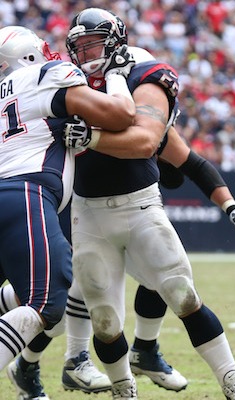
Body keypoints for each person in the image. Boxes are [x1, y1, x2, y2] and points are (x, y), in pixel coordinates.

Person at [63, 8, 235, 399]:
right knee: (105, 320)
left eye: (95, 42)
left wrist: (90, 138)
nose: (88, 51)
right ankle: (125, 390)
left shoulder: (146, 76)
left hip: (139, 206)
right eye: (81, 44)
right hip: (87, 214)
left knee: (182, 293)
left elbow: (148, 144)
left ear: (117, 41)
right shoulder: (65, 83)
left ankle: (233, 384)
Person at [0, 24, 136, 399]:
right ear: (29, 55)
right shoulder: (45, 75)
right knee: (48, 300)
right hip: (24, 192)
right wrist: (116, 76)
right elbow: (121, 115)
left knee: (32, 290)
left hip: (9, 190)